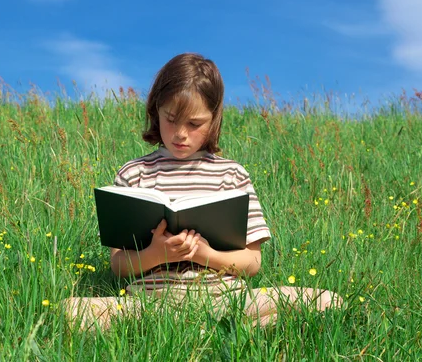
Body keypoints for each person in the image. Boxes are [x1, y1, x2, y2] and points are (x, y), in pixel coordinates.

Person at [63, 53, 342, 330]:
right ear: (155, 111)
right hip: (150, 305)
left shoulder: (232, 175)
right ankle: (225, 331)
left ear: (213, 121)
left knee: (328, 301)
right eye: (171, 119)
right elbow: (119, 265)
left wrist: (203, 255)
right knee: (69, 310)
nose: (180, 133)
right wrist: (157, 255)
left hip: (226, 300)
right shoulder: (133, 174)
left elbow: (252, 261)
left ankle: (225, 329)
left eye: (194, 124)